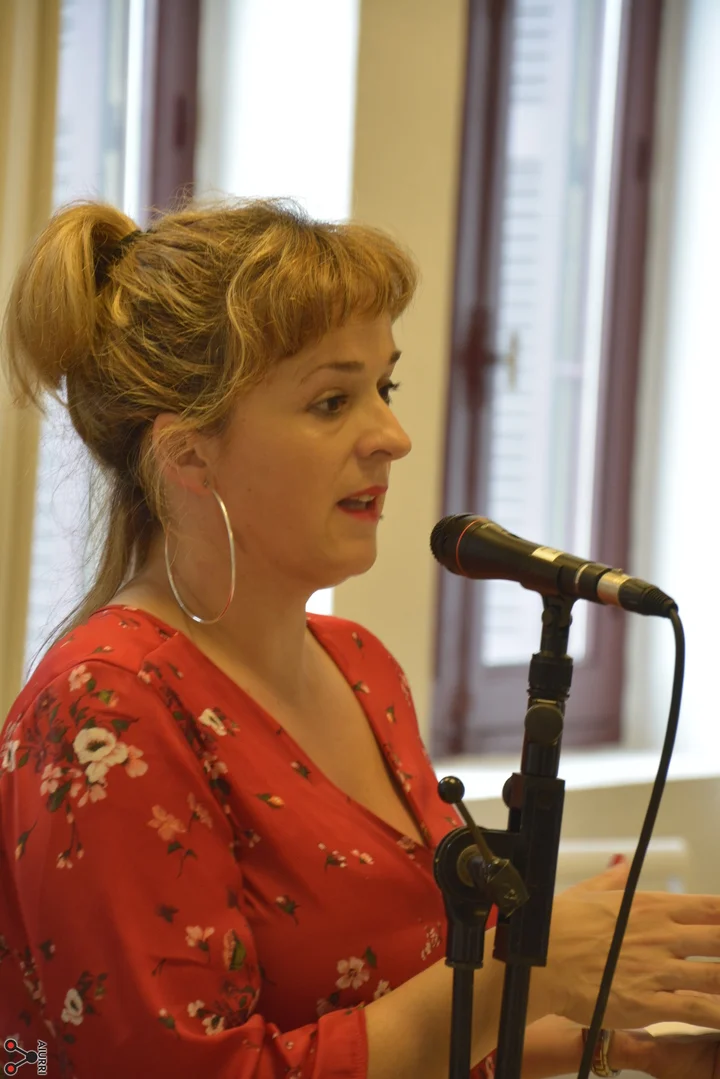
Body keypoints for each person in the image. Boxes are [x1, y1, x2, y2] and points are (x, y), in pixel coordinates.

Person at [0, 199, 718, 1079]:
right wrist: (525, 971)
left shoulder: (361, 665)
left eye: (387, 387)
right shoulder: (105, 709)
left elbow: (410, 1012)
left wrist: (629, 1043)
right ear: (188, 455)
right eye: (332, 400)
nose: (392, 437)